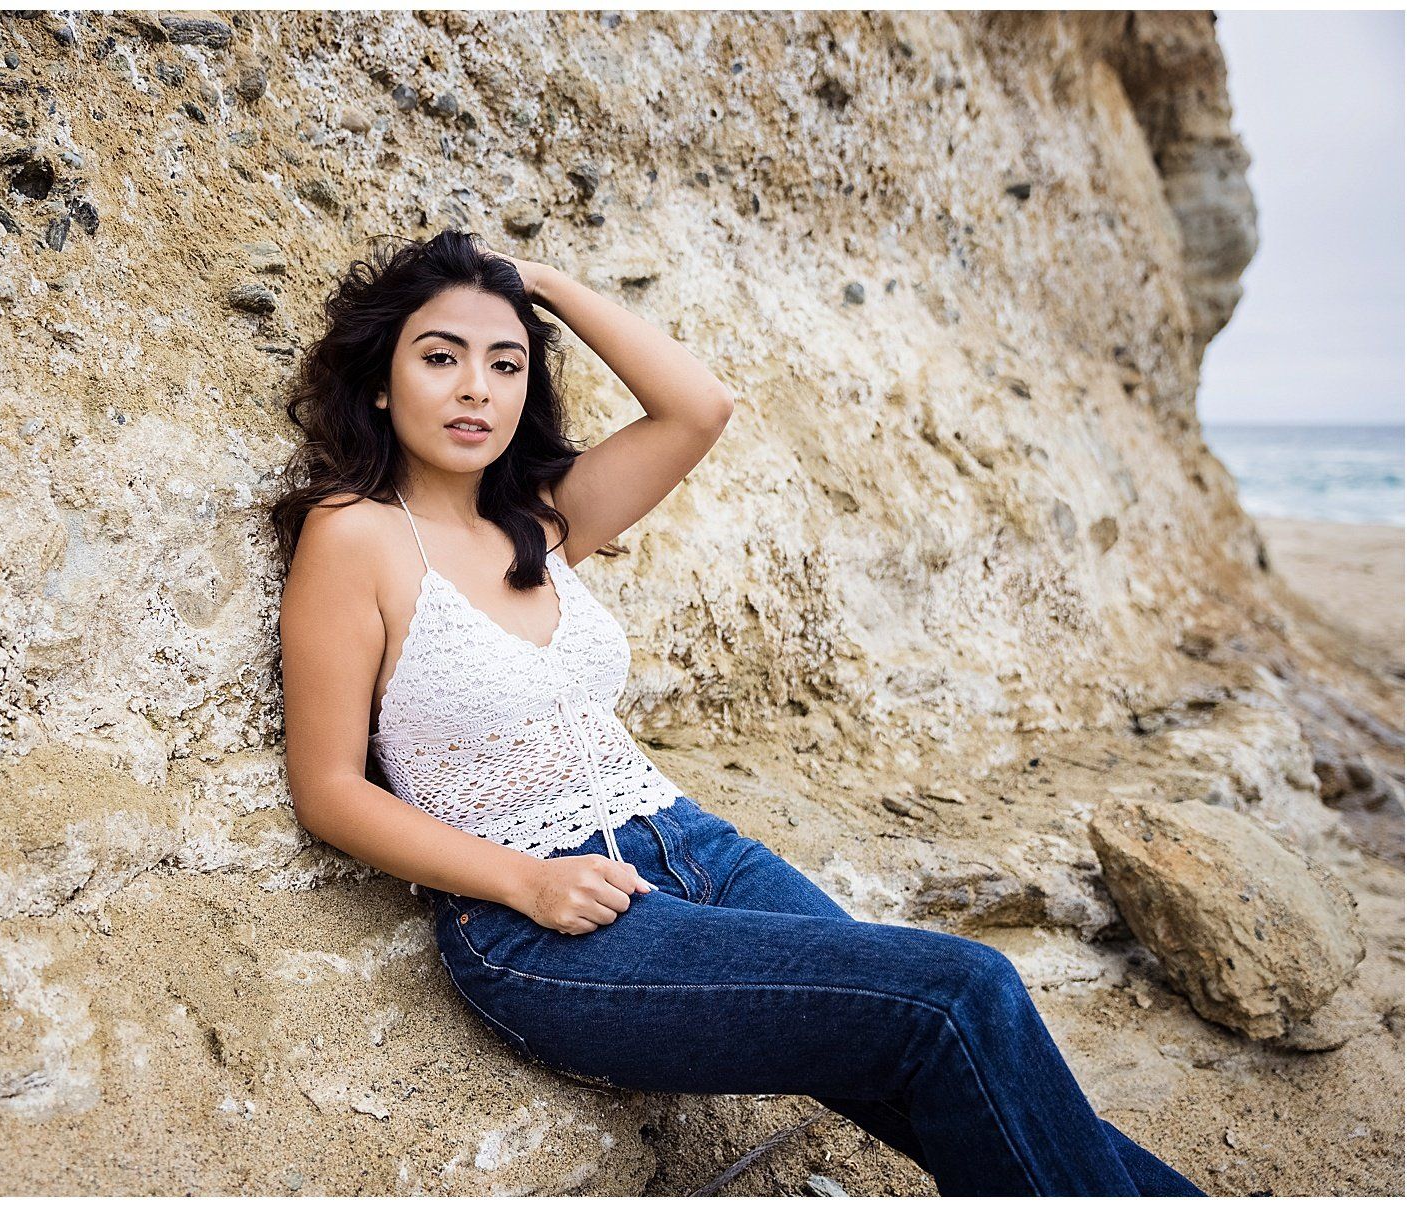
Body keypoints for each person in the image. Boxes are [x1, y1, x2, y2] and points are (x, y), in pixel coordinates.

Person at [270, 230, 1204, 1196]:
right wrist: (523, 881)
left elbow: (697, 406)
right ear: (382, 381)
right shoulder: (357, 537)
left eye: (505, 364)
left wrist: (538, 283)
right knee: (962, 994)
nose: (476, 387)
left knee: (964, 1068)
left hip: (696, 849)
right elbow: (329, 789)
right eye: (440, 356)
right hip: (537, 922)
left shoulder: (539, 520)